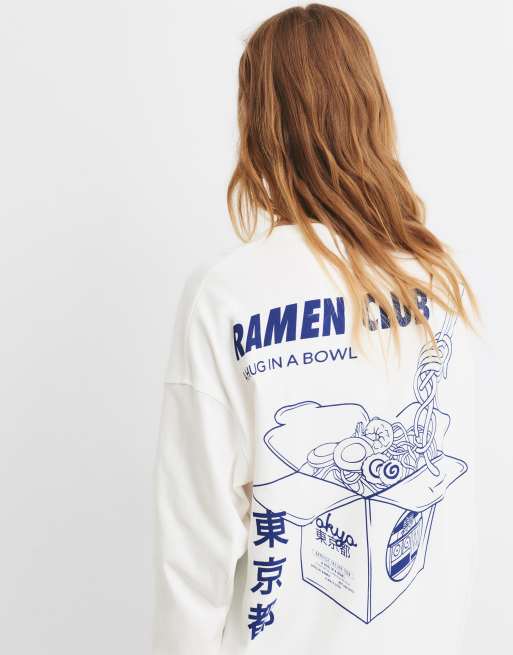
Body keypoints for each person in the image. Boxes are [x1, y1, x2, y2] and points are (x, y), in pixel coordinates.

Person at [152, 5, 479, 655]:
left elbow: (193, 558)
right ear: (371, 113)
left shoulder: (229, 294)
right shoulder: (438, 283)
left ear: (258, 124)